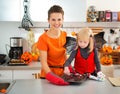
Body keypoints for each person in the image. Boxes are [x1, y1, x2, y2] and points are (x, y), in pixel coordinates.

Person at [37, 5, 69, 85]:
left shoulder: (65, 35)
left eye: (59, 19)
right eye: (53, 20)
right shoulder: (43, 39)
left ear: (63, 20)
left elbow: (65, 55)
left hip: (63, 75)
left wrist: (69, 67)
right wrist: (52, 77)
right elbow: (43, 62)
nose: (56, 23)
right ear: (48, 20)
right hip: (47, 77)